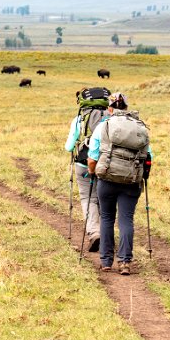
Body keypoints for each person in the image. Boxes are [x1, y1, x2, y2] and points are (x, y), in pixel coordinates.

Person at [87, 92, 152, 275]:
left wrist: (93, 172)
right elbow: (149, 156)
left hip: (106, 179)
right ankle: (124, 262)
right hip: (131, 180)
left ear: (110, 108)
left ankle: (106, 261)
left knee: (106, 218)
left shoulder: (103, 126)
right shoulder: (140, 127)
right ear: (126, 108)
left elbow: (92, 157)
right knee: (126, 219)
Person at [64, 90, 101, 252]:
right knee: (105, 199)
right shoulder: (112, 116)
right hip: (108, 165)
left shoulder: (80, 119)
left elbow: (69, 147)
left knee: (88, 198)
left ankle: (94, 233)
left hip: (84, 164)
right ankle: (107, 234)